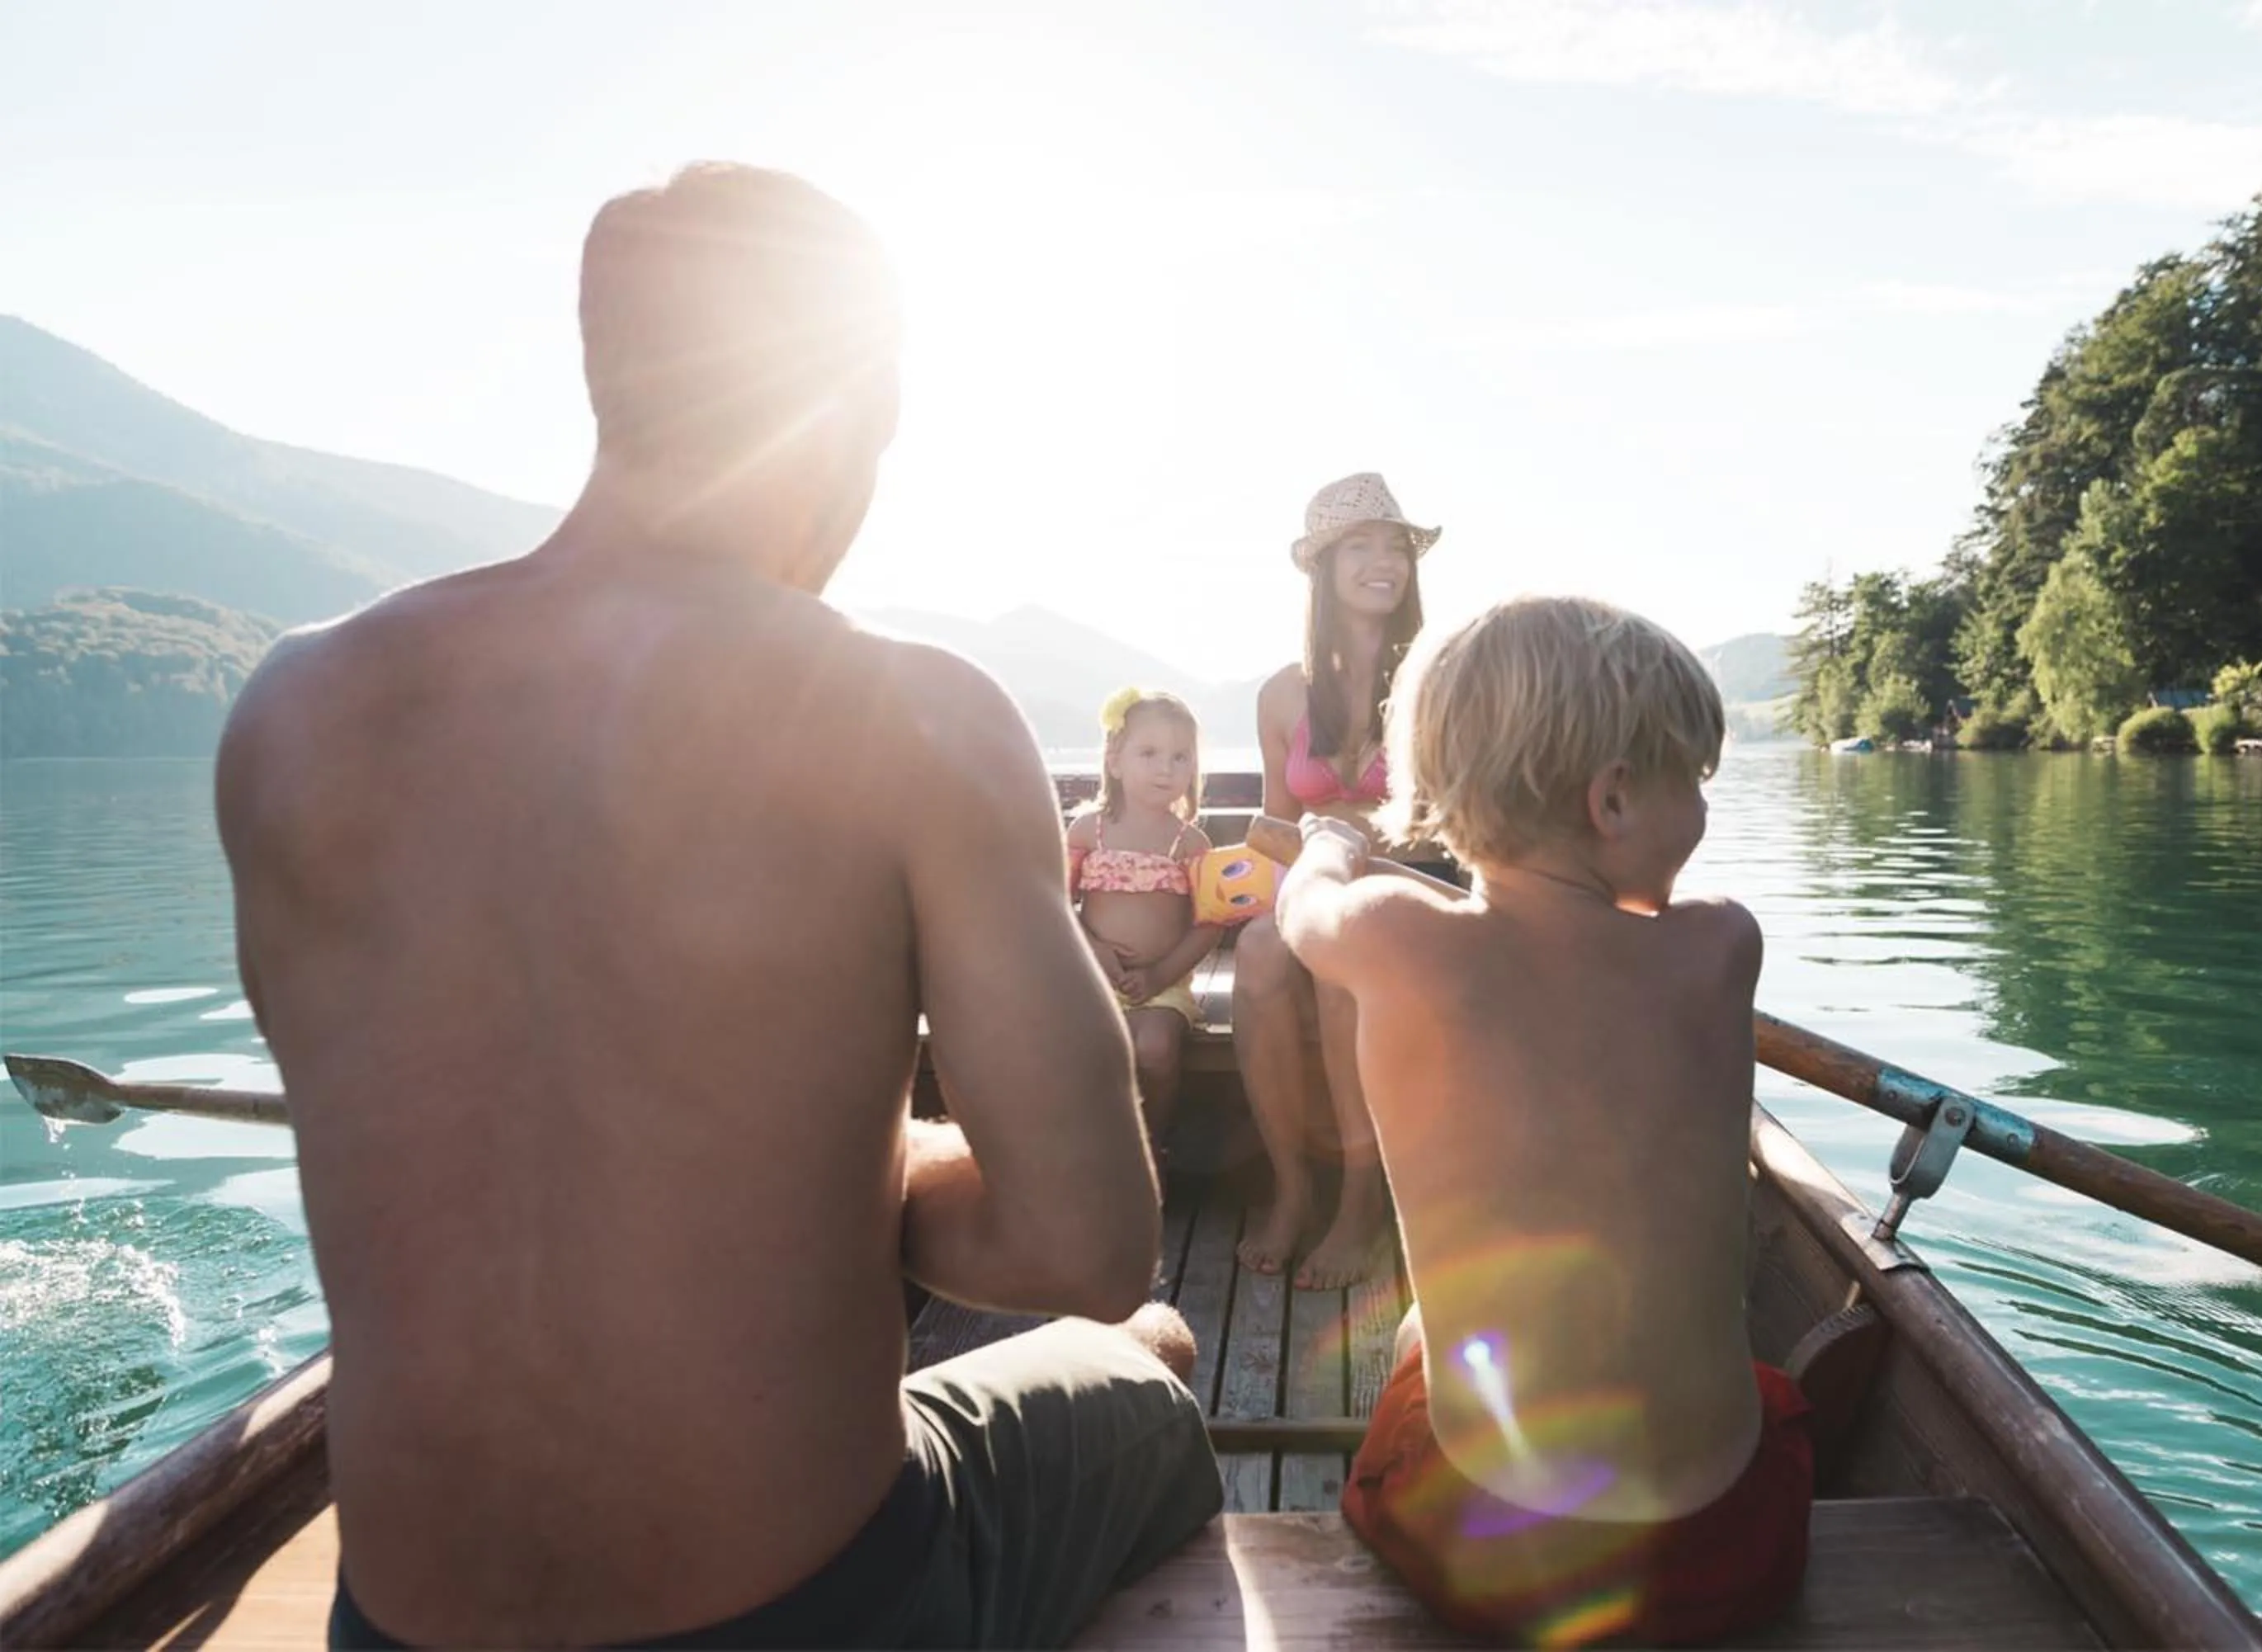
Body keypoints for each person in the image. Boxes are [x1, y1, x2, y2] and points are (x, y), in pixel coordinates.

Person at [215, 163, 1221, 1650]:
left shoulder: (292, 713)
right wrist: (839, 1175)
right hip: (821, 1614)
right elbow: (1084, 1243)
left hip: (393, 1626)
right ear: (860, 409)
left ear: (610, 378)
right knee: (1148, 1358)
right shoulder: (914, 720)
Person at [1272, 595, 1813, 1646]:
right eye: (1694, 782)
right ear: (1612, 799)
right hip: (1732, 1549)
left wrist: (1333, 842)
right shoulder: (1722, 946)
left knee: (1423, 1335)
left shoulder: (1398, 937)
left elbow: (1304, 908)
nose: (1702, 812)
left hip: (1495, 1559)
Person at [1233, 472, 1444, 1290]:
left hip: (1407, 884)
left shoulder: (1440, 679)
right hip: (1313, 885)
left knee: (1339, 963)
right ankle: (1292, 1190)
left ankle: (1359, 1204)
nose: (1384, 561)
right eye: (1361, 545)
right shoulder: (1282, 694)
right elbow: (1275, 826)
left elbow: (1460, 821)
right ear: (1323, 567)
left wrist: (1365, 854)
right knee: (1259, 953)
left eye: (1396, 547)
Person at [1067, 687, 1220, 1140]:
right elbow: (1055, 902)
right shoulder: (1087, 832)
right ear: (1115, 762)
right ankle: (1098, 1148)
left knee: (1154, 1049)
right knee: (1088, 1049)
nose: (1165, 768)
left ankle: (1153, 1148)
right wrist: (1094, 950)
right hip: (1093, 978)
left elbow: (1210, 924)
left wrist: (1160, 975)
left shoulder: (1190, 844)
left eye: (1180, 757)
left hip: (1163, 986)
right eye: (1149, 753)